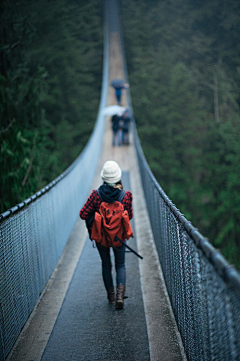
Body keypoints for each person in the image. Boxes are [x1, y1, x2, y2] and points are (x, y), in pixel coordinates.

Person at [79, 161, 133, 309]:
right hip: (119, 237)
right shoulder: (125, 196)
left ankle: (111, 296)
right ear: (118, 177)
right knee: (120, 264)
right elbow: (130, 216)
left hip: (101, 238)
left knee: (106, 264)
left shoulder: (96, 196)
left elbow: (83, 214)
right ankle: (120, 296)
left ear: (103, 178)